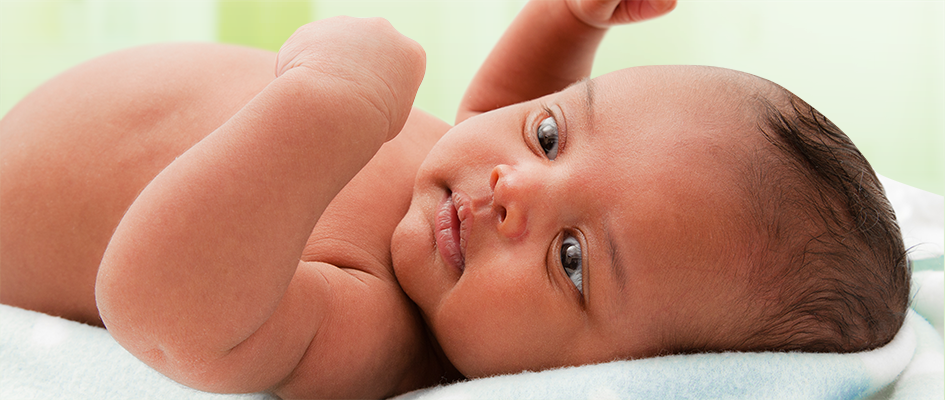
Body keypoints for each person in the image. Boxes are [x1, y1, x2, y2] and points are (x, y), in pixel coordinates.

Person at [0, 0, 910, 398]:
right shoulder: (460, 203)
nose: (512, 191)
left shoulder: (383, 332)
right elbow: (487, 117)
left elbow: (165, 311)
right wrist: (564, 23)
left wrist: (334, 103)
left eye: (571, 260)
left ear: (569, 377)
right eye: (552, 133)